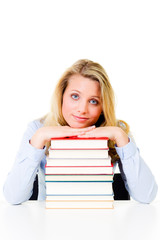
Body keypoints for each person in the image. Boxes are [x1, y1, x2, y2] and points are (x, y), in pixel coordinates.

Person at [3, 59, 158, 204]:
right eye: (75, 96)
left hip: (101, 221)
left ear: (103, 107)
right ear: (61, 96)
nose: (82, 110)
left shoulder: (115, 131)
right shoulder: (39, 129)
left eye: (93, 101)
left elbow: (146, 196)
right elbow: (13, 197)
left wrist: (120, 137)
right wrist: (40, 138)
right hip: (50, 222)